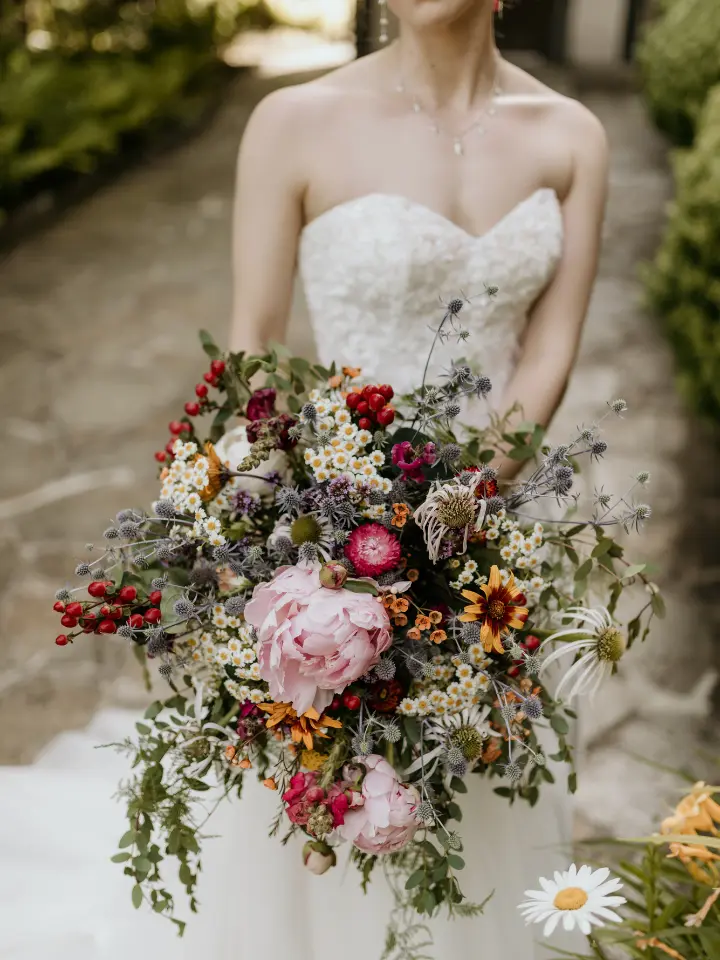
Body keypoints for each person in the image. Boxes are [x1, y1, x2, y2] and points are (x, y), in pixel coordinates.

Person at [225, 0, 608, 956]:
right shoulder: (291, 123)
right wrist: (318, 537)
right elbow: (254, 350)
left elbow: (550, 351)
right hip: (333, 537)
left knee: (481, 780)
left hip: (497, 542)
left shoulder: (573, 136)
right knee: (336, 787)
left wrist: (455, 513)